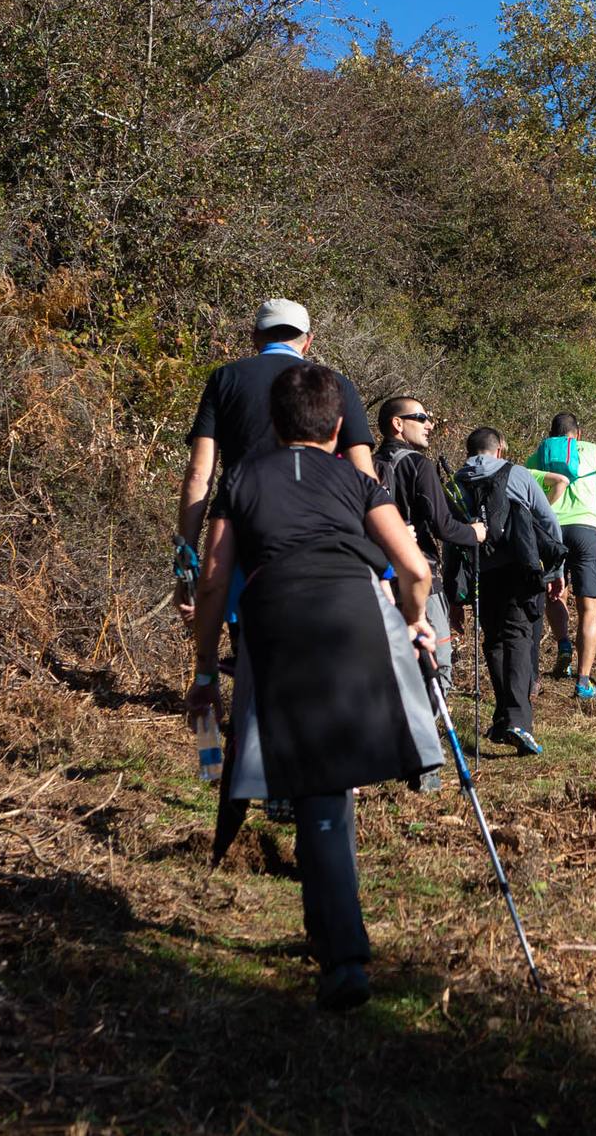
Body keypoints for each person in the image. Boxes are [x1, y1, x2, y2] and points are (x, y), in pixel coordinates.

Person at [184, 363, 443, 1013]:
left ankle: (341, 952)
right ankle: (340, 943)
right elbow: (413, 566)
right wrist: (415, 622)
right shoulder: (358, 480)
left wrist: (205, 671)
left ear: (272, 426)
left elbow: (214, 582)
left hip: (277, 626)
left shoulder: (241, 479)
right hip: (355, 617)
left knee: (316, 786)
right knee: (326, 784)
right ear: (335, 428)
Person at [174, 298, 375, 629]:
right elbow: (363, 475)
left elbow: (199, 474)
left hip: (243, 526)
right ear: (308, 341)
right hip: (325, 534)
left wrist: (188, 558)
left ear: (255, 337)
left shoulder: (225, 378)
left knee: (252, 647)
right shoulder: (335, 384)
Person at [456, 427, 564, 755]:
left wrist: (454, 592)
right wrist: (556, 569)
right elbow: (547, 521)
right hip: (521, 569)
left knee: (495, 641)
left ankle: (505, 717)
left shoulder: (457, 481)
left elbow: (452, 537)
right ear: (500, 448)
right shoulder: (517, 473)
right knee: (518, 637)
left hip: (482, 571)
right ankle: (518, 720)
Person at [373, 396, 487, 695]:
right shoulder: (418, 465)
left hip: (375, 577)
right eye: (421, 418)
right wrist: (474, 533)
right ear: (398, 424)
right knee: (437, 661)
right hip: (421, 574)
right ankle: (429, 730)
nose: (430, 424)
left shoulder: (366, 464)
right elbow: (442, 525)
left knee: (390, 660)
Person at [527, 413, 596, 701]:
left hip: (550, 531)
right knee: (589, 607)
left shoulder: (539, 455)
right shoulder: (593, 450)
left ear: (552, 433)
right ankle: (583, 681)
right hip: (587, 530)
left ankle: (563, 644)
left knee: (554, 593)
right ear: (577, 434)